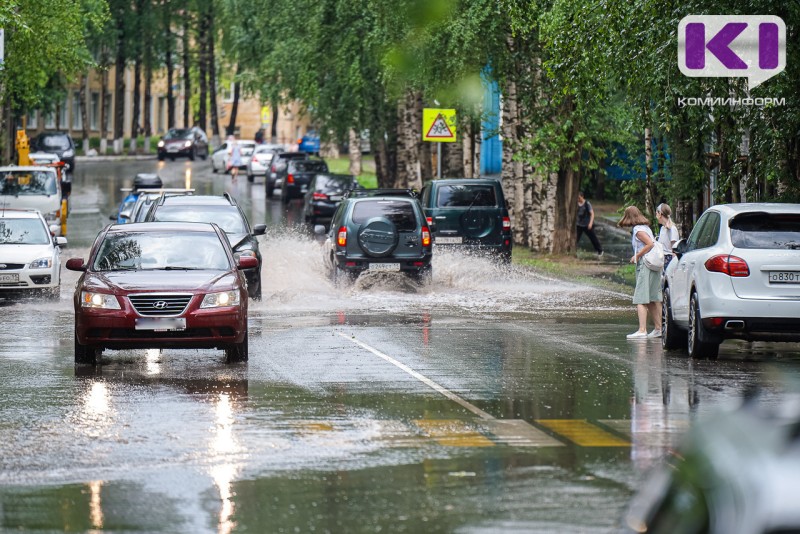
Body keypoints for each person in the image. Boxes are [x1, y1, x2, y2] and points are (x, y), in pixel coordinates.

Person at [618, 205, 662, 340]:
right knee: (652, 298)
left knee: (641, 298)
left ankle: (642, 330)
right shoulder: (646, 227)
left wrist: (637, 256)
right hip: (654, 265)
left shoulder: (638, 230)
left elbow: (650, 244)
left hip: (645, 264)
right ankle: (659, 328)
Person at [576, 191, 603, 257]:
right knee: (576, 238)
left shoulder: (587, 204)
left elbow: (592, 213)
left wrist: (590, 223)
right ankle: (573, 250)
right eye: (577, 198)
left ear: (582, 197)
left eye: (579, 198)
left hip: (587, 224)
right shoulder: (576, 204)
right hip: (579, 224)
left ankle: (600, 251)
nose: (578, 199)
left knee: (593, 238)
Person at [656, 203, 679, 273]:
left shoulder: (672, 229)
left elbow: (674, 250)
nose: (656, 216)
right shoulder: (662, 228)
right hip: (661, 260)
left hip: (668, 261)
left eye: (656, 213)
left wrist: (673, 267)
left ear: (660, 214)